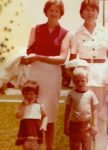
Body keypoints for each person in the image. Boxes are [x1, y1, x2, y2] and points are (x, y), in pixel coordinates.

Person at [20, 0, 71, 149]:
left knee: (50, 116)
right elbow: (28, 52)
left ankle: (49, 148)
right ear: (46, 11)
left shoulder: (66, 34)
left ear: (61, 13)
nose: (53, 13)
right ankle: (33, 146)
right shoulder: (35, 29)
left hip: (53, 75)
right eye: (51, 10)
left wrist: (38, 57)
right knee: (33, 112)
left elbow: (62, 59)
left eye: (57, 10)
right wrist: (28, 58)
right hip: (35, 73)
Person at [69, 0, 108, 149]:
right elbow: (72, 58)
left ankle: (101, 147)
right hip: (83, 79)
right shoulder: (76, 34)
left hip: (102, 77)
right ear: (81, 13)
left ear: (97, 12)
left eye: (93, 9)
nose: (90, 12)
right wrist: (76, 76)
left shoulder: (106, 32)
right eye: (86, 10)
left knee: (101, 116)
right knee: (82, 116)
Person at [64, 68, 99, 150]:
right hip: (74, 126)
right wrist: (66, 125)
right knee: (74, 146)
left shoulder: (90, 94)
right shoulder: (71, 94)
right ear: (73, 81)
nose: (80, 83)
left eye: (82, 80)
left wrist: (95, 125)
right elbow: (67, 111)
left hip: (86, 126)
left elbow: (94, 110)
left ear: (87, 80)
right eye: (77, 81)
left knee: (87, 146)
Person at [15, 80, 47, 150]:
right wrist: (24, 106)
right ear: (23, 94)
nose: (28, 96)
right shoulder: (22, 105)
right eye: (26, 94)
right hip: (25, 134)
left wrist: (44, 125)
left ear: (36, 95)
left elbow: (45, 116)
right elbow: (18, 116)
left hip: (36, 133)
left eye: (31, 94)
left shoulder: (40, 105)